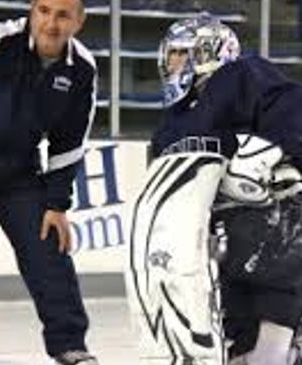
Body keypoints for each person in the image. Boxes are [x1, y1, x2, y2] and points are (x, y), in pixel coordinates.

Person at [126, 13, 302, 365]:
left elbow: (293, 110)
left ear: (208, 51)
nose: (170, 62)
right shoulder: (173, 119)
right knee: (237, 344)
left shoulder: (241, 75)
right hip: (224, 237)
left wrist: (281, 153)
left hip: (276, 220)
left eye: (179, 53)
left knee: (270, 345)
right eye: (170, 53)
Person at [0, 0, 99, 364]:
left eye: (63, 15)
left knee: (47, 245)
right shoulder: (6, 36)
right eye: (43, 10)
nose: (51, 23)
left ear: (79, 22)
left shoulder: (82, 70)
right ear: (31, 12)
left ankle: (69, 344)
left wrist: (57, 205)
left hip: (13, 168)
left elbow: (69, 143)